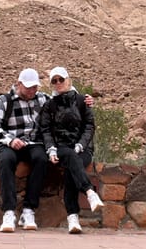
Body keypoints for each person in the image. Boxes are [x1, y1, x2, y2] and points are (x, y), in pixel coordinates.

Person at [38, 66, 104, 234]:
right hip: (61, 149)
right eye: (54, 81)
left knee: (71, 169)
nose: (58, 83)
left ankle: (72, 218)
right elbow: (45, 130)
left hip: (83, 149)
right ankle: (89, 192)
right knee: (69, 155)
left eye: (61, 79)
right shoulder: (49, 105)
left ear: (68, 80)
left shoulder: (82, 101)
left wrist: (81, 144)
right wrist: (51, 149)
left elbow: (89, 126)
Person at [0, 68, 49, 233]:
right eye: (28, 87)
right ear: (19, 84)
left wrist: (85, 100)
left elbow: (64, 101)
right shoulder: (4, 101)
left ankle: (28, 210)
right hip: (8, 142)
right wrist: (10, 140)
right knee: (6, 160)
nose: (32, 91)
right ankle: (9, 212)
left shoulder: (42, 99)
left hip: (33, 143)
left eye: (35, 87)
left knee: (42, 159)